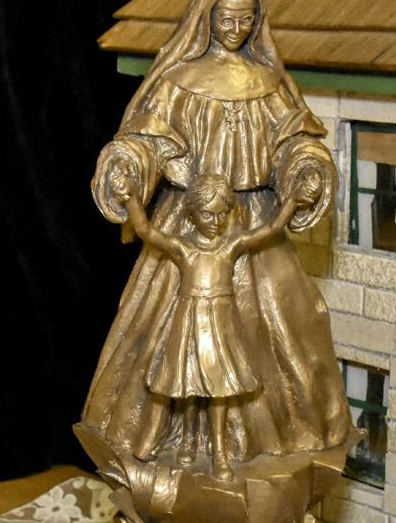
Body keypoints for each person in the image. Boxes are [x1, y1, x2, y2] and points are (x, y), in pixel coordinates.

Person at [85, 0, 351, 466]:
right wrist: (128, 164)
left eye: (246, 19)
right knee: (161, 336)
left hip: (253, 220)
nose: (235, 29)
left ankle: (261, 443)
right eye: (226, 18)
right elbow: (147, 140)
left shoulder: (269, 83)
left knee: (290, 328)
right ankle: (168, 440)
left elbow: (294, 141)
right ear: (206, 15)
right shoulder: (177, 81)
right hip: (188, 218)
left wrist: (305, 168)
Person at [114, 172, 316, 480]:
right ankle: (188, 441)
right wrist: (129, 196)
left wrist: (293, 201)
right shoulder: (183, 248)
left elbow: (271, 229)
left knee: (219, 388)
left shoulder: (230, 247)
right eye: (208, 214)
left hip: (221, 324)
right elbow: (144, 229)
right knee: (185, 384)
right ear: (192, 214)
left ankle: (219, 451)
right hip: (188, 320)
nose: (216, 221)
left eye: (223, 213)